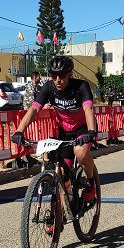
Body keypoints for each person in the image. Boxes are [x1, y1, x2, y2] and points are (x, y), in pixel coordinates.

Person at [11, 55, 98, 202]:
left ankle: (91, 184)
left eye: (62, 75)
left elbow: (88, 108)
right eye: (54, 75)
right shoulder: (48, 87)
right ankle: (60, 214)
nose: (58, 79)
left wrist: (91, 132)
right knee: (62, 172)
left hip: (83, 129)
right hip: (64, 131)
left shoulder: (81, 86)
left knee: (80, 151)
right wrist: (19, 131)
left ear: (70, 74)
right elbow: (33, 110)